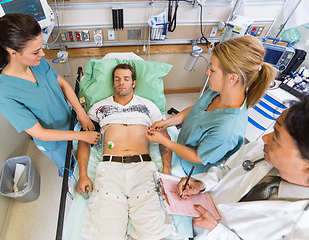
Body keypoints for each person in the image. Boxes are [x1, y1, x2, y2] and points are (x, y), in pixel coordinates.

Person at [0, 13, 99, 176]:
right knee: (70, 168)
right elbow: (40, 133)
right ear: (13, 52)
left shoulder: (36, 62)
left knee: (86, 158)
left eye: (41, 48)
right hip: (52, 141)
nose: (42, 54)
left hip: (69, 122)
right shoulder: (5, 96)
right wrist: (81, 136)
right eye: (36, 51)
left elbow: (62, 84)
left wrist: (81, 113)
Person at [177, 94, 309, 239]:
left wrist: (216, 231)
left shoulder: (302, 227)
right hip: (190, 215)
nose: (265, 138)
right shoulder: (261, 149)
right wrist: (201, 184)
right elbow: (225, 169)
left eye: (276, 137)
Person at [146, 35, 278, 176]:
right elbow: (196, 110)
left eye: (213, 70)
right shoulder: (216, 91)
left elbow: (198, 157)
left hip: (189, 169)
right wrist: (167, 122)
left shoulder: (227, 129)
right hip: (180, 145)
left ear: (232, 78)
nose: (207, 72)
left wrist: (165, 142)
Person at [76, 63, 175, 239]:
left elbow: (164, 137)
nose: (122, 82)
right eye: (117, 79)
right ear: (113, 83)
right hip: (110, 169)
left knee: (153, 234)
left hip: (143, 169)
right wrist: (83, 174)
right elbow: (84, 139)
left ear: (134, 83)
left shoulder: (149, 106)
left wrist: (166, 170)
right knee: (107, 234)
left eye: (126, 79)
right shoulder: (98, 108)